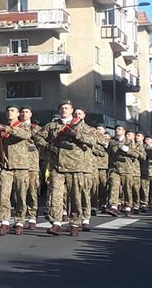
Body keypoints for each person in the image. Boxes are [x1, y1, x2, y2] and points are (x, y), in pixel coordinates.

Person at [35, 100, 95, 236]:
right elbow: (37, 136)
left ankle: (74, 223)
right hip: (57, 165)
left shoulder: (80, 125)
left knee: (75, 196)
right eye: (61, 108)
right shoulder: (52, 125)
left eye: (66, 108)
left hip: (76, 165)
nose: (64, 110)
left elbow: (92, 140)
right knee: (56, 195)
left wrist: (76, 135)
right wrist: (47, 146)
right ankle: (56, 222)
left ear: (72, 110)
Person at [0, 104, 31, 236]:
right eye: (8, 110)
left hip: (21, 166)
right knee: (4, 195)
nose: (10, 113)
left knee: (20, 195)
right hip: (6, 167)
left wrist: (7, 129)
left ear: (18, 113)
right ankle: (4, 222)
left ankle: (19, 221)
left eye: (13, 111)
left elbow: (25, 135)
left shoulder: (23, 126)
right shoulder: (1, 129)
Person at [107, 125, 138, 217]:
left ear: (124, 131)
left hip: (126, 169)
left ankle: (128, 206)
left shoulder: (130, 142)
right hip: (115, 168)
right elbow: (109, 153)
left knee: (127, 188)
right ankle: (114, 206)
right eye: (116, 129)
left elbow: (136, 155)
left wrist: (128, 150)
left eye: (119, 129)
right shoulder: (112, 141)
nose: (117, 131)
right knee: (114, 186)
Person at [73, 108, 96, 231]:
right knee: (74, 193)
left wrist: (76, 135)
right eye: (75, 113)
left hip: (86, 166)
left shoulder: (89, 129)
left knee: (85, 193)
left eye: (80, 113)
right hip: (72, 165)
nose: (77, 115)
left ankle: (86, 218)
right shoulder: (67, 127)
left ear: (84, 116)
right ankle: (74, 219)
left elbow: (94, 141)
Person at [19, 105, 42, 230]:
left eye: (26, 112)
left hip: (32, 164)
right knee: (19, 193)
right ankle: (20, 217)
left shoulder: (36, 129)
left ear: (31, 114)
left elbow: (43, 143)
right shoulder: (13, 128)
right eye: (22, 112)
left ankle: (32, 216)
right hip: (17, 164)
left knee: (32, 191)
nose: (23, 114)